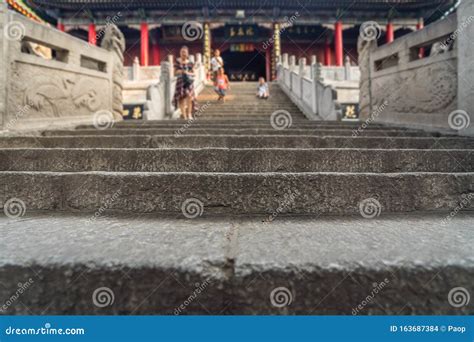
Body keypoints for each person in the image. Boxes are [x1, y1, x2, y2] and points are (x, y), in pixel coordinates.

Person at [173, 46, 196, 120]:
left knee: (190, 97)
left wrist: (187, 73)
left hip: (188, 82)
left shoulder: (190, 63)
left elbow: (194, 73)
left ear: (187, 53)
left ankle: (189, 114)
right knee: (181, 98)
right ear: (180, 53)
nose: (183, 54)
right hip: (180, 82)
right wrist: (181, 71)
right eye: (182, 52)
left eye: (185, 52)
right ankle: (184, 115)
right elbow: (174, 72)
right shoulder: (177, 62)